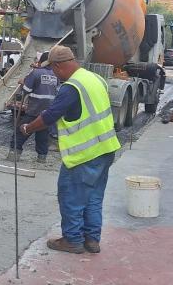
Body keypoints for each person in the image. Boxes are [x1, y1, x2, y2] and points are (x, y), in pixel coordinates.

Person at [21, 46, 120, 255]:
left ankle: (72, 240)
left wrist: (27, 128)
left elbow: (50, 116)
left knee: (71, 196)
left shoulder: (71, 87)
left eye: (53, 70)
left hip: (84, 154)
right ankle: (92, 240)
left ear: (58, 66)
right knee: (93, 196)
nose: (54, 74)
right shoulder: (94, 78)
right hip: (106, 149)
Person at [7, 51, 57, 163]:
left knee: (21, 131)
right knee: (42, 135)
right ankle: (42, 158)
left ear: (42, 62)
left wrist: (22, 82)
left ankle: (13, 155)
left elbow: (26, 90)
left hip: (35, 109)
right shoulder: (55, 74)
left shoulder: (35, 73)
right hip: (48, 111)